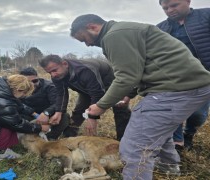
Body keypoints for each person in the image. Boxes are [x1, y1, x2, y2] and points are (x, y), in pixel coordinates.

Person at [69, 14, 210, 179]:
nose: (87, 44)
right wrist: (129, 95)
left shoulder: (114, 36)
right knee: (155, 129)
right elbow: (141, 69)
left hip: (175, 89)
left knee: (133, 147)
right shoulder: (123, 30)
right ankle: (168, 167)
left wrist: (100, 106)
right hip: (185, 86)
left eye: (84, 39)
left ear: (92, 27)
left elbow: (127, 77)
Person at [157, 0, 210, 152]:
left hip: (204, 77)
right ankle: (177, 142)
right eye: (165, 8)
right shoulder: (161, 28)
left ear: (187, 1)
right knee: (174, 109)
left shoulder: (206, 16)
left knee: (198, 113)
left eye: (174, 5)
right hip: (175, 78)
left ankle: (189, 133)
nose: (169, 10)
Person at [38, 55, 131, 141]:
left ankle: (123, 140)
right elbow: (61, 94)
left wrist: (92, 117)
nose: (53, 75)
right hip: (85, 88)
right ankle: (68, 136)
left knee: (120, 108)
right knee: (79, 111)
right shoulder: (56, 76)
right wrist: (59, 112)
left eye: (54, 70)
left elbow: (97, 93)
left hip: (108, 84)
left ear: (65, 64)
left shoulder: (84, 70)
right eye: (49, 72)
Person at [19, 67, 70, 140]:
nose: (32, 84)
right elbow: (17, 104)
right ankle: (27, 136)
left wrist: (46, 113)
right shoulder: (18, 88)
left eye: (35, 81)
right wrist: (33, 114)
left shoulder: (49, 86)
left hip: (48, 116)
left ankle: (50, 137)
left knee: (64, 116)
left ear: (38, 77)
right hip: (29, 115)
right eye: (28, 82)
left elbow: (57, 103)